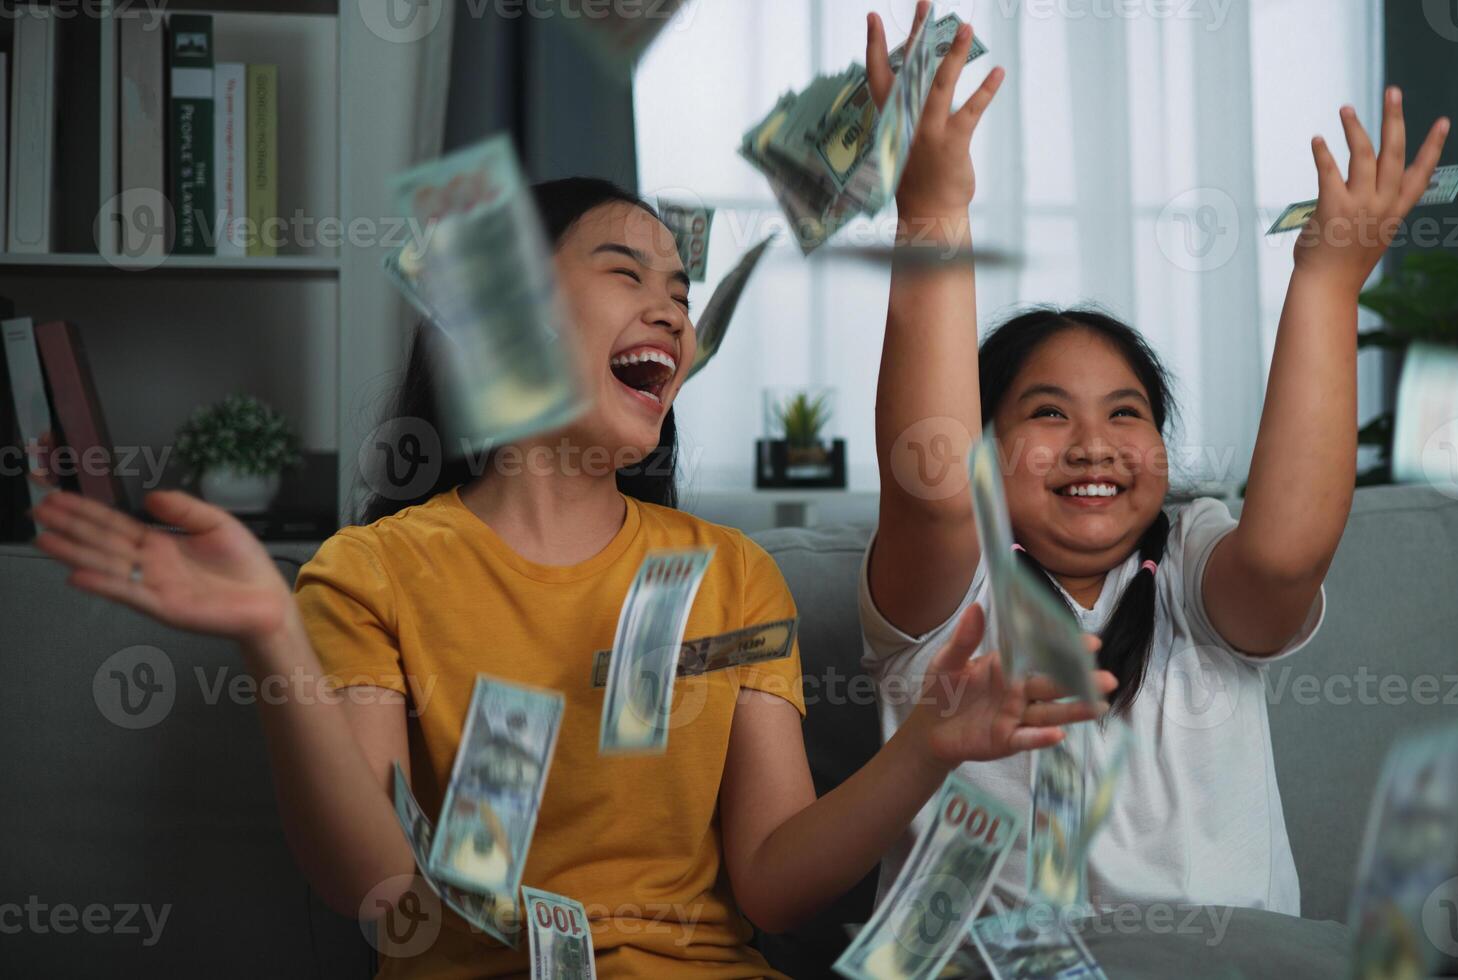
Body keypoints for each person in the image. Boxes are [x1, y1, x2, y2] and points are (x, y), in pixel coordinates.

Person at [26, 32, 1111, 978]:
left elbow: (775, 885)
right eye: (625, 272)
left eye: (681, 292)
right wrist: (272, 632)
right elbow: (387, 901)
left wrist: (925, 743)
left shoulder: (728, 574)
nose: (671, 309)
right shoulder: (375, 572)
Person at [861, 8, 1451, 915]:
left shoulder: (1188, 562)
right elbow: (933, 488)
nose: (1093, 444)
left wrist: (1328, 281)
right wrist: (933, 208)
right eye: (1047, 413)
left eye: (1125, 413)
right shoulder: (950, 589)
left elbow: (1286, 554)